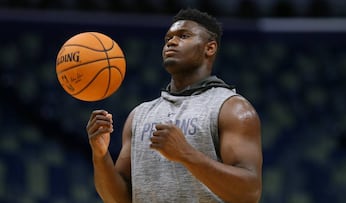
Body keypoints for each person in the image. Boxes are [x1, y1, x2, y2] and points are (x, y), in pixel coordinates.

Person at [86, 8, 262, 203]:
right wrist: (100, 156)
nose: (171, 41)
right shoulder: (139, 114)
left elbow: (249, 192)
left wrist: (186, 154)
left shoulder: (231, 108)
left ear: (209, 48)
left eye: (183, 36)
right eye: (167, 38)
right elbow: (120, 199)